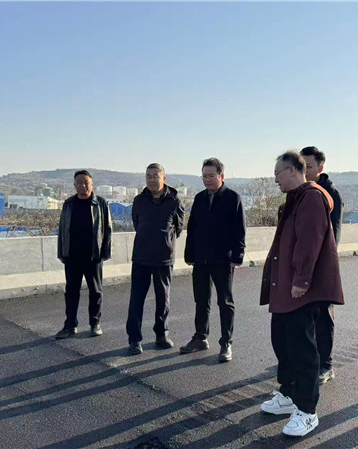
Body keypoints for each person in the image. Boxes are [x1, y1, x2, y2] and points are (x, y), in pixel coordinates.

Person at [260, 151, 344, 437]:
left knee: (302, 349)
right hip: (285, 287)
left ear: (294, 171)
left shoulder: (311, 197)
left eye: (278, 173)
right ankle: (288, 393)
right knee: (282, 342)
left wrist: (302, 279)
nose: (275, 179)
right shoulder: (294, 199)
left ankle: (307, 411)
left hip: (300, 290)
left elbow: (310, 240)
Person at [180, 158, 246, 363]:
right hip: (201, 259)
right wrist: (189, 254)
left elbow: (239, 230)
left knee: (225, 302)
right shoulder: (199, 198)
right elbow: (192, 228)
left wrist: (237, 256)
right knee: (201, 300)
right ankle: (200, 337)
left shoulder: (232, 198)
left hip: (223, 260)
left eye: (211, 176)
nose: (207, 180)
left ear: (221, 176)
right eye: (204, 176)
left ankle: (226, 343)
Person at [126, 163, 184, 355]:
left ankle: (161, 334)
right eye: (148, 176)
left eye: (155, 176)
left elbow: (178, 228)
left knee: (163, 299)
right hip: (141, 257)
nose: (151, 180)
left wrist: (164, 241)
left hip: (163, 259)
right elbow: (137, 223)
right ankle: (134, 339)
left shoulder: (175, 201)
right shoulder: (139, 200)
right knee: (136, 300)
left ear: (164, 178)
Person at [300, 146, 344, 384]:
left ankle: (326, 364)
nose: (304, 171)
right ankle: (310, 357)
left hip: (322, 265)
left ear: (320, 168)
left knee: (324, 316)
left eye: (308, 166)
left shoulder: (330, 194)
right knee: (305, 315)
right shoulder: (300, 191)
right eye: (301, 166)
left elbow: (332, 236)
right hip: (302, 265)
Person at [56, 170, 112, 339]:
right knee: (71, 292)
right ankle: (70, 325)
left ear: (91, 184)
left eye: (85, 182)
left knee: (95, 291)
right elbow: (62, 230)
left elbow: (107, 229)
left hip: (93, 256)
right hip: (72, 255)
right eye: (79, 182)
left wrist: (105, 252)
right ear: (74, 185)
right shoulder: (69, 204)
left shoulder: (100, 203)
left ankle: (95, 323)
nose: (82, 185)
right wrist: (61, 252)